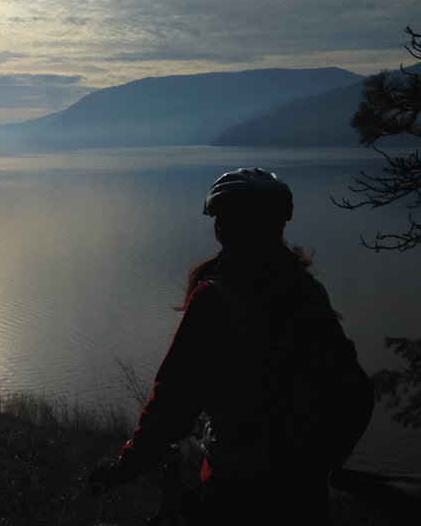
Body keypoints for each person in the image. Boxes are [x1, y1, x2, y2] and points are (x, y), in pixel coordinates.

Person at [90, 167, 345, 526]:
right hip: (305, 481)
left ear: (222, 227)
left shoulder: (217, 298)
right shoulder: (305, 289)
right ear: (280, 226)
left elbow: (173, 401)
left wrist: (125, 466)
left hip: (239, 483)